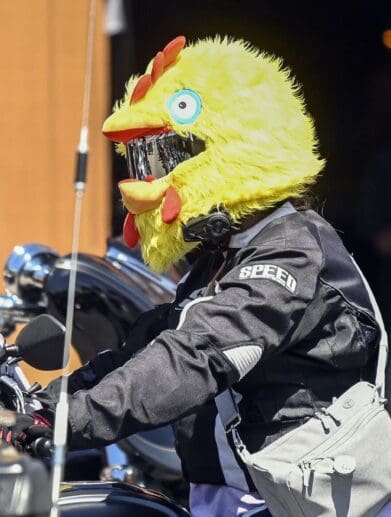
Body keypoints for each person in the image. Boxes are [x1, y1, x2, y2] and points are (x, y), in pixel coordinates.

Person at [5, 36, 381, 517]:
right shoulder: (224, 253)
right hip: (239, 498)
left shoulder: (292, 248)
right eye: (141, 162)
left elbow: (197, 355)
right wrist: (45, 403)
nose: (149, 178)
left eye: (164, 158)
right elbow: (148, 346)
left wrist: (68, 421)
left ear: (226, 146)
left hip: (305, 503)